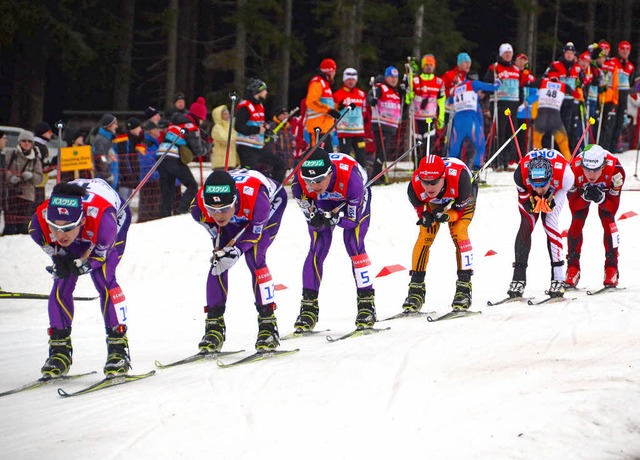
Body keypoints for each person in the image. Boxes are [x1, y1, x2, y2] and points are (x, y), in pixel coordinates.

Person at [29, 178, 133, 378]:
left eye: (67, 228)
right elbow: (57, 252)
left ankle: (118, 349)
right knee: (62, 280)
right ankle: (59, 351)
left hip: (111, 216)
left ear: (81, 221)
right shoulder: (38, 227)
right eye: (55, 227)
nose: (60, 234)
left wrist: (86, 263)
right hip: (82, 217)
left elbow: (98, 257)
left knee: (103, 276)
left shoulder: (105, 224)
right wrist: (60, 261)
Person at [190, 169, 287, 352]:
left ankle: (268, 325)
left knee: (255, 257)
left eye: (224, 209)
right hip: (240, 213)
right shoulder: (198, 208)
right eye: (213, 210)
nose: (218, 215)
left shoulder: (257, 200)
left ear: (234, 201)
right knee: (218, 262)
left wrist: (237, 249)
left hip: (269, 204)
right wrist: (223, 249)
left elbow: (254, 234)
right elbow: (214, 227)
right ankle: (214, 326)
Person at [290, 148, 376, 331]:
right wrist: (318, 220)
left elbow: (352, 221)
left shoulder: (352, 180)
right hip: (323, 201)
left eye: (318, 180)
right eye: (309, 181)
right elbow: (313, 221)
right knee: (317, 247)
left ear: (329, 173)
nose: (313, 185)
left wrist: (336, 218)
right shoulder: (299, 184)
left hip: (349, 196)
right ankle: (308, 309)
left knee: (353, 244)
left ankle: (367, 304)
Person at [403, 154, 477, 312]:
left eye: (434, 182)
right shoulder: (414, 186)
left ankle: (464, 287)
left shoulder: (460, 179)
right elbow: (421, 209)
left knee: (459, 231)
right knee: (425, 234)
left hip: (459, 197)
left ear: (443, 177)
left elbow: (459, 210)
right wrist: (425, 216)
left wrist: (446, 215)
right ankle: (416, 290)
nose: (429, 187)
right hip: (434, 201)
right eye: (425, 182)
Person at [506, 148, 575, 299]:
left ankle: (558, 278)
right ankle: (518, 278)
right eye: (534, 184)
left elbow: (562, 191)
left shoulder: (566, 175)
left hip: (558, 188)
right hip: (529, 187)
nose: (538, 189)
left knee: (549, 221)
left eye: (542, 184)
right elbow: (525, 197)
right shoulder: (520, 175)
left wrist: (551, 197)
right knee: (526, 224)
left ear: (550, 178)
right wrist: (529, 203)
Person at [565, 144, 625, 288]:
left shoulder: (616, 171)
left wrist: (602, 199)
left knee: (609, 222)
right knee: (576, 222)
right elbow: (573, 205)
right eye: (587, 170)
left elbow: (613, 208)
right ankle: (572, 267)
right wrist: (585, 198)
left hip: (606, 191)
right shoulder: (572, 170)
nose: (591, 175)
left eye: (595, 170)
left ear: (603, 166)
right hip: (580, 191)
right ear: (582, 166)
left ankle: (612, 268)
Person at [235, 79, 285, 182]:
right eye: (264, 90)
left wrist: (266, 130)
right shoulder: (245, 106)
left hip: (258, 147)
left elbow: (258, 124)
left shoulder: (259, 106)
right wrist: (257, 129)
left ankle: (273, 190)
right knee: (249, 177)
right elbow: (238, 126)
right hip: (246, 148)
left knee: (280, 165)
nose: (266, 92)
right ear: (257, 91)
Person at [449, 71, 500, 170]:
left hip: (458, 119)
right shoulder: (473, 83)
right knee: (480, 145)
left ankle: (450, 169)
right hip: (470, 118)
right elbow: (492, 87)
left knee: (455, 147)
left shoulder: (457, 88)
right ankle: (476, 169)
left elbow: (450, 101)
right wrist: (498, 82)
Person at [156, 112, 204, 217]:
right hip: (173, 157)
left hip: (160, 155)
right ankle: (182, 211)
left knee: (167, 188)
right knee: (192, 185)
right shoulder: (191, 127)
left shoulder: (172, 127)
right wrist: (206, 147)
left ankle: (164, 215)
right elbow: (197, 149)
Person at [484, 44, 522, 170]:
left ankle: (507, 161)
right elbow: (487, 83)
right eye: (505, 53)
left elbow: (520, 86)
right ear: (501, 54)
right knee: (499, 131)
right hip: (500, 102)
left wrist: (521, 101)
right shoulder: (495, 67)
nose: (508, 55)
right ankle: (497, 161)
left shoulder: (516, 69)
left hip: (513, 103)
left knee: (511, 132)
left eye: (510, 53)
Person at [3, 130, 44, 235]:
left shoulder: (35, 159)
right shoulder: (11, 154)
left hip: (27, 197)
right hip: (11, 195)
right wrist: (10, 178)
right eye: (24, 141)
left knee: (24, 227)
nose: (26, 143)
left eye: (29, 141)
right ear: (19, 142)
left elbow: (40, 178)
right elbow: (3, 171)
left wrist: (31, 176)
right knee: (10, 227)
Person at [545, 42, 583, 150]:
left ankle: (561, 151)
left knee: (565, 128)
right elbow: (548, 78)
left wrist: (579, 88)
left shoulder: (577, 68)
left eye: (571, 53)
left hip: (570, 101)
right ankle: (550, 150)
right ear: (564, 53)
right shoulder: (556, 64)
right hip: (557, 101)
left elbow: (580, 81)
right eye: (567, 53)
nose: (569, 55)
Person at [368, 66, 402, 184]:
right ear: (386, 77)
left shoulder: (395, 91)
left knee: (383, 152)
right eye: (391, 77)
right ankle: (375, 177)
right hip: (381, 124)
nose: (394, 80)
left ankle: (379, 175)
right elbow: (371, 95)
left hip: (391, 126)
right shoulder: (380, 87)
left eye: (396, 77)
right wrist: (372, 99)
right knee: (382, 152)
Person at [531, 75, 576, 160]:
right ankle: (570, 164)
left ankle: (538, 162)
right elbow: (576, 95)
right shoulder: (564, 85)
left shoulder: (542, 81)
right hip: (555, 118)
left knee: (537, 142)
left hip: (541, 117)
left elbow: (529, 84)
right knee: (564, 145)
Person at [410, 55, 445, 160]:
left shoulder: (439, 82)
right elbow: (408, 99)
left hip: (430, 119)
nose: (429, 67)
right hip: (416, 118)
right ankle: (416, 169)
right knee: (417, 146)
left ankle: (426, 168)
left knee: (429, 145)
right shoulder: (415, 81)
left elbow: (441, 101)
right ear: (423, 66)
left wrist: (441, 118)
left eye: (431, 65)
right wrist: (408, 95)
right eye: (426, 65)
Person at [333, 68, 368, 167]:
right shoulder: (337, 94)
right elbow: (333, 112)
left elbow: (364, 112)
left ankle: (362, 179)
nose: (351, 81)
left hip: (358, 132)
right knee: (345, 158)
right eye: (348, 79)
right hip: (344, 132)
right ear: (344, 80)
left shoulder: (361, 94)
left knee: (361, 157)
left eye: (353, 79)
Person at [305, 58, 341, 146]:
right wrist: (329, 110)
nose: (334, 74)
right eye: (334, 71)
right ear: (329, 71)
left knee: (327, 157)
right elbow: (311, 102)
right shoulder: (317, 82)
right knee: (318, 157)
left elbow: (326, 103)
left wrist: (337, 107)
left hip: (325, 128)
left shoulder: (326, 84)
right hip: (317, 127)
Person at [608, 41, 635, 152]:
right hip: (613, 95)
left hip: (624, 96)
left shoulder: (630, 66)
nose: (625, 51)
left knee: (619, 122)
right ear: (619, 50)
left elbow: (631, 81)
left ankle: (614, 148)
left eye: (627, 49)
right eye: (623, 49)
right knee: (611, 122)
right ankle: (606, 147)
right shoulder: (613, 62)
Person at [138, 120, 162, 222]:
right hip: (150, 179)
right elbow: (146, 162)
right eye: (157, 129)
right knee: (149, 204)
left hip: (151, 178)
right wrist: (157, 175)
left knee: (151, 204)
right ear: (152, 131)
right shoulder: (147, 144)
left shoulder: (153, 143)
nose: (160, 131)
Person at [113, 117, 143, 201]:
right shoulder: (123, 139)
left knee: (127, 201)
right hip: (124, 178)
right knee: (123, 201)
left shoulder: (133, 140)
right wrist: (129, 174)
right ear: (132, 129)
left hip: (129, 177)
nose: (140, 129)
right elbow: (124, 159)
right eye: (138, 127)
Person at [265, 106, 296, 171]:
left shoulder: (288, 128)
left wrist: (293, 142)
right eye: (283, 114)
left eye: (286, 114)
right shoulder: (272, 127)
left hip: (288, 161)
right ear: (278, 115)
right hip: (276, 161)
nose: (286, 116)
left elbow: (292, 141)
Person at [91, 113, 118, 186]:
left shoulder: (108, 139)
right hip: (105, 181)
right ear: (108, 126)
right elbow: (101, 159)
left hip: (111, 177)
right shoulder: (101, 141)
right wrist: (107, 176)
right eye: (115, 124)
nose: (116, 126)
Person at [210, 104, 239, 171]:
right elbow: (225, 140)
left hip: (231, 162)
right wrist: (235, 137)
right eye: (225, 114)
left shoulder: (229, 126)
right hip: (221, 163)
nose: (228, 116)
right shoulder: (217, 128)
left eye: (228, 113)